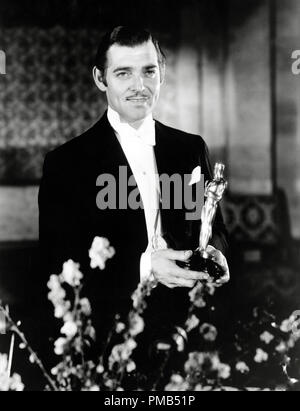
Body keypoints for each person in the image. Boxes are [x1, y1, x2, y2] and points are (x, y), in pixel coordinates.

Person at [38, 26, 229, 348]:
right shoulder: (66, 162)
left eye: (148, 71)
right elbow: (58, 260)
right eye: (124, 73)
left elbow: (214, 227)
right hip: (108, 332)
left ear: (162, 73)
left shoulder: (191, 149)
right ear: (101, 79)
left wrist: (217, 253)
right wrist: (145, 266)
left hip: (188, 326)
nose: (139, 86)